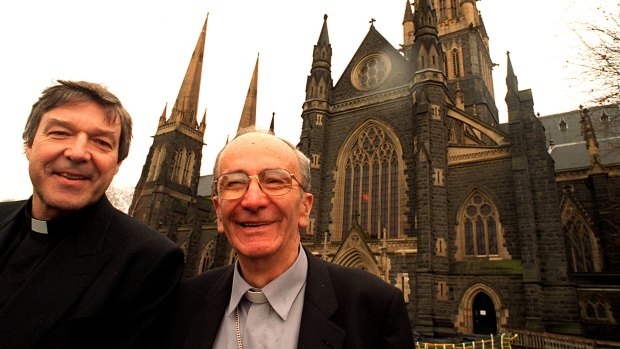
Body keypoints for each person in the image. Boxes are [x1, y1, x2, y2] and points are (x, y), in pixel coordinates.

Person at [164, 128, 414, 348]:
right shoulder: (181, 305)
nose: (253, 200)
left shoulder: (375, 309)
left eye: (274, 181)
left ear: (305, 208)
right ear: (217, 210)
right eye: (234, 184)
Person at [0, 80, 184, 348]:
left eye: (101, 142)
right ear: (29, 145)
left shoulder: (147, 261)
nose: (77, 153)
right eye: (60, 133)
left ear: (118, 163)